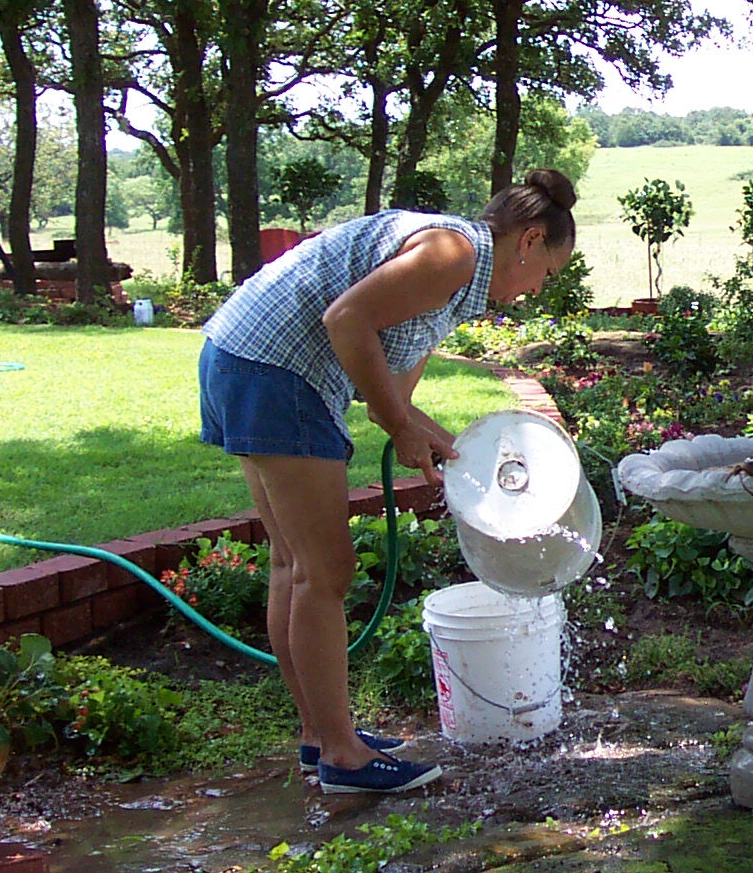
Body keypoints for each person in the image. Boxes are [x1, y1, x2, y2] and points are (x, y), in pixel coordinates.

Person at [197, 169, 578, 794]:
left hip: (241, 357)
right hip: (276, 373)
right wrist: (402, 429)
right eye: (546, 275)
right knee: (327, 571)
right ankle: (344, 758)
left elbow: (391, 400)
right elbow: (346, 319)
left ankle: (321, 736)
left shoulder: (453, 291)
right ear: (529, 241)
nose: (536, 290)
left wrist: (447, 448)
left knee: (293, 563)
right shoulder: (454, 252)